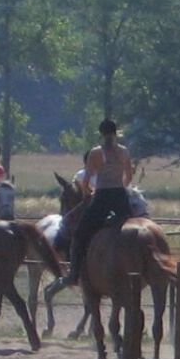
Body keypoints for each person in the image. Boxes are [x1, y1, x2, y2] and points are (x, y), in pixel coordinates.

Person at [63, 118, 134, 284]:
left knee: (80, 234)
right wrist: (121, 187)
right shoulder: (124, 151)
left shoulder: (95, 152)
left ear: (101, 134)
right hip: (120, 196)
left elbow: (86, 180)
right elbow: (129, 177)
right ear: (115, 133)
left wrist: (88, 192)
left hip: (102, 196)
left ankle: (74, 273)